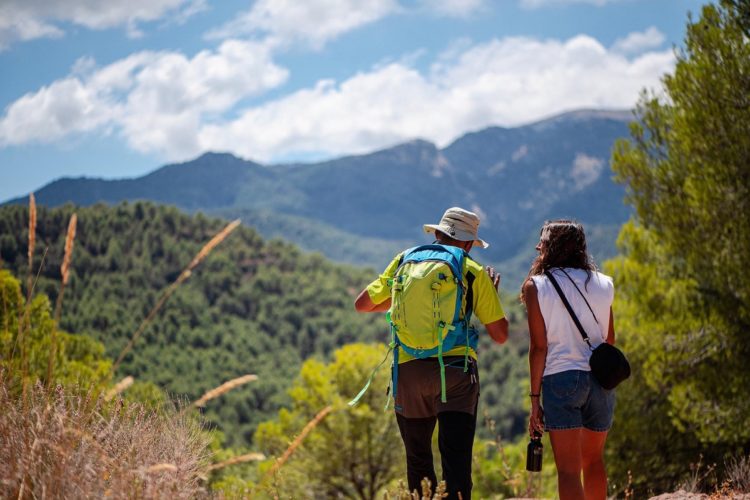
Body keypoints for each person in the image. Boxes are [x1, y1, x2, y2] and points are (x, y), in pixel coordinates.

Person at [354, 207, 509, 500]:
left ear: (437, 234)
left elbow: (362, 304)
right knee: (456, 463)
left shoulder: (403, 261)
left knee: (418, 462)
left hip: (408, 375)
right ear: (467, 243)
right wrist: (479, 299)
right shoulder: (472, 270)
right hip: (455, 375)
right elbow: (500, 335)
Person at [522, 220, 616, 500]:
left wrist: (534, 400)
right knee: (594, 461)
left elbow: (539, 348)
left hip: (560, 379)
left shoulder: (536, 287)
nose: (538, 248)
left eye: (543, 243)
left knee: (568, 470)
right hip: (600, 381)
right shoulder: (604, 283)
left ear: (552, 248)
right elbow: (609, 340)